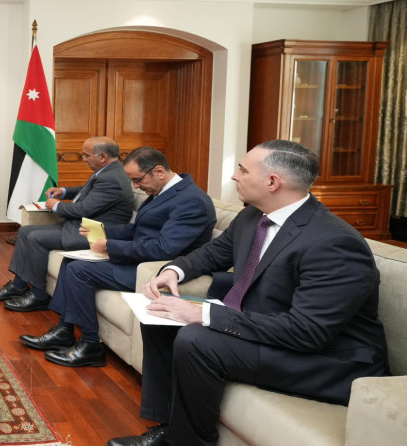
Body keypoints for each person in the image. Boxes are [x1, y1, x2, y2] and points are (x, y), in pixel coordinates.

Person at [108, 140, 389, 446]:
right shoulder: (253, 216)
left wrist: (203, 313)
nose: (234, 175)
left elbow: (308, 331)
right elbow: (213, 253)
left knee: (196, 338)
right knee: (159, 316)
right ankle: (168, 426)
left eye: (242, 170)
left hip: (325, 359)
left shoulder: (334, 243)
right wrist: (174, 271)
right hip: (269, 328)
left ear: (272, 182)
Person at [20, 147, 216, 369]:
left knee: (79, 270)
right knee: (70, 260)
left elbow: (164, 249)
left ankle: (90, 345)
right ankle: (64, 331)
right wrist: (103, 231)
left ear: (159, 171)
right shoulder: (162, 192)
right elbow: (138, 231)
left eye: (137, 180)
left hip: (156, 271)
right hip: (140, 260)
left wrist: (109, 247)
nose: (135, 187)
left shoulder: (192, 201)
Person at [0, 137, 134, 311]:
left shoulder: (112, 178)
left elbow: (84, 209)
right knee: (25, 232)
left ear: (102, 157)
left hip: (93, 234)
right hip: (78, 226)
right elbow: (87, 191)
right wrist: (63, 191)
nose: (84, 158)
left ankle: (38, 295)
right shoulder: (108, 171)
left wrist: (56, 205)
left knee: (36, 238)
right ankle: (18, 286)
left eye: (86, 155)